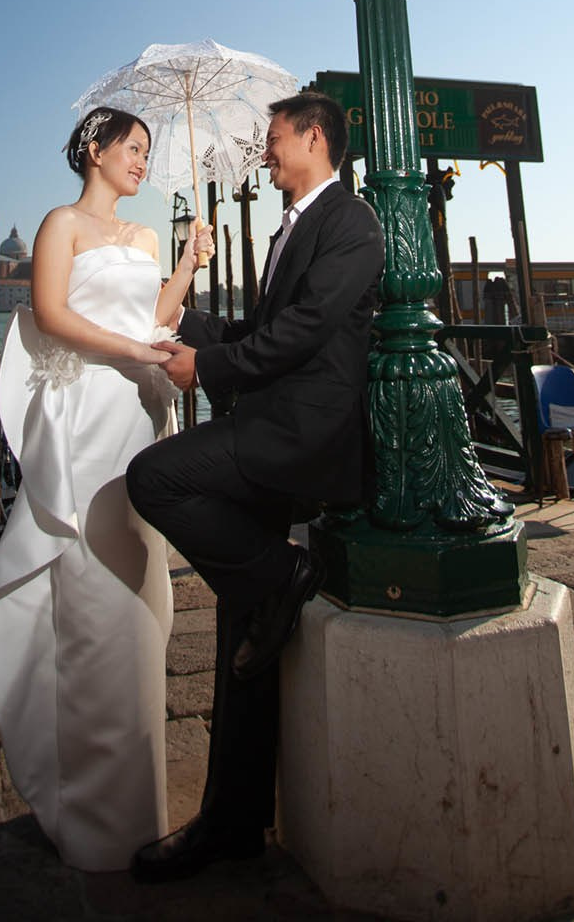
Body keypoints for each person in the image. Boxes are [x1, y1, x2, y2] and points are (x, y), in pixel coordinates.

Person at [126, 90, 385, 882]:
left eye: (274, 139)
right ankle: (232, 822)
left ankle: (285, 574)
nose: (264, 152)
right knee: (247, 634)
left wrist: (208, 366)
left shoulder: (354, 224)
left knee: (154, 479)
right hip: (273, 420)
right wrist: (195, 319)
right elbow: (265, 327)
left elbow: (304, 332)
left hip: (301, 433)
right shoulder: (293, 224)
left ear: (314, 138)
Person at [0, 106, 213, 872]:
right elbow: (51, 314)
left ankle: (137, 806)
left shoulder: (144, 239)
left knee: (139, 595)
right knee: (90, 590)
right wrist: (134, 349)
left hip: (139, 414)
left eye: (148, 151)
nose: (143, 161)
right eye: (133, 148)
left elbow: (157, 315)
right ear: (96, 150)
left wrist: (188, 263)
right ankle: (93, 817)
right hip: (86, 417)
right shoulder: (60, 225)